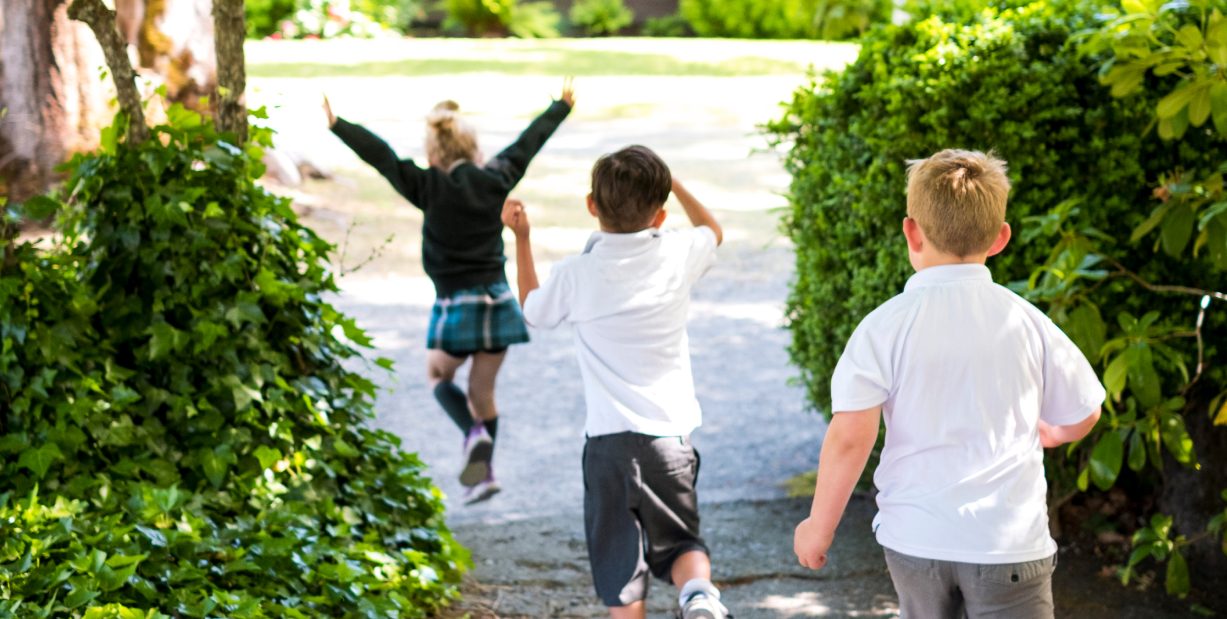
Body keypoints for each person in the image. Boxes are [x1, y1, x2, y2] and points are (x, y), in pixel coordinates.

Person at [792, 149, 1106, 618]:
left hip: (916, 541)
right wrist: (1056, 432)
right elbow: (1086, 409)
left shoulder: (884, 327)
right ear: (1000, 239)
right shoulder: (1025, 321)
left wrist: (819, 526)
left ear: (911, 232)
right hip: (1009, 546)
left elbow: (850, 438)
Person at [501, 145, 731, 619]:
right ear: (661, 213)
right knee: (684, 541)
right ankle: (700, 597)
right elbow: (713, 230)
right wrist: (677, 182)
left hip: (607, 447)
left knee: (622, 577)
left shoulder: (577, 274)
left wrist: (522, 238)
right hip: (670, 439)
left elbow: (532, 307)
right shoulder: (676, 252)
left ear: (591, 205)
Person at [323, 78, 576, 504]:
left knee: (438, 374)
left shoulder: (427, 185)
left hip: (456, 303)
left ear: (433, 154)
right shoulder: (496, 178)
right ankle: (484, 471)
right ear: (475, 150)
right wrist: (560, 108)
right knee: (483, 393)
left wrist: (338, 125)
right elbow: (526, 144)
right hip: (497, 301)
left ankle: (473, 434)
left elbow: (382, 157)